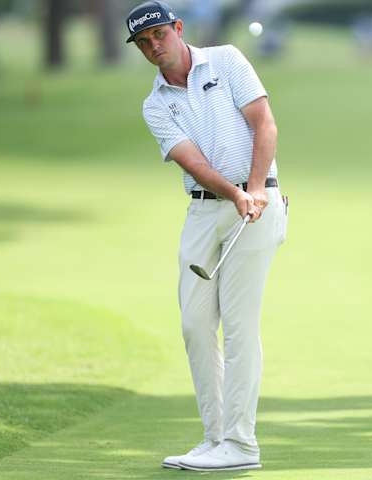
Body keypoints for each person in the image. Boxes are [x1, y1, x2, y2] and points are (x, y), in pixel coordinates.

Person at [125, 0, 287, 472]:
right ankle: (216, 437)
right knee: (195, 324)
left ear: (177, 28)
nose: (154, 46)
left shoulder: (228, 59)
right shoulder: (155, 104)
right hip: (205, 210)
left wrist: (253, 190)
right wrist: (235, 196)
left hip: (258, 204)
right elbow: (192, 163)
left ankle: (242, 445)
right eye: (143, 42)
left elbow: (264, 124)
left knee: (238, 325)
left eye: (159, 34)